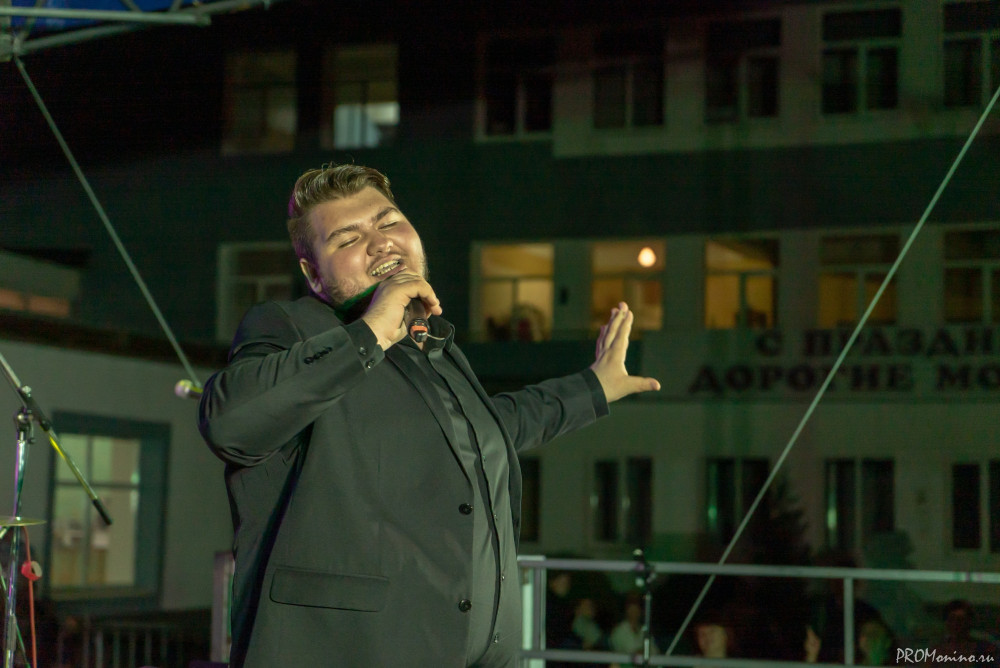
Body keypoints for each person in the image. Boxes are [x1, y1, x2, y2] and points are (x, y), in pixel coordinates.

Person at [198, 163, 661, 667]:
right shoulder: (292, 329)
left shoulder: (434, 350)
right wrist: (370, 332)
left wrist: (594, 387)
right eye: (348, 238)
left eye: (389, 222)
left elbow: (489, 429)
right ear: (313, 274)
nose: (380, 243)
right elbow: (230, 422)